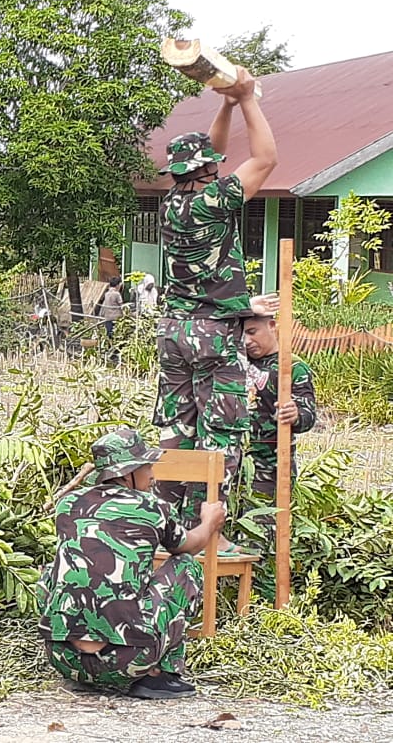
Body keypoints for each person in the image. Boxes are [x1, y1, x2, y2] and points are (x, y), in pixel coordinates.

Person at [153, 66, 280, 528]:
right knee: (220, 430)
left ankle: (164, 523)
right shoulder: (217, 200)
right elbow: (265, 159)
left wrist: (223, 106)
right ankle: (208, 529)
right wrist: (247, 98)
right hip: (212, 333)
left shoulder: (170, 205)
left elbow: (215, 154)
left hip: (173, 330)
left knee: (175, 427)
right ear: (208, 171)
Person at [38, 429, 226, 699]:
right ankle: (160, 675)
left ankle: (83, 670)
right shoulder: (151, 507)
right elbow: (190, 545)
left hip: (64, 659)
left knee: (51, 573)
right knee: (186, 567)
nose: (152, 475)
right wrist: (210, 521)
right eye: (146, 466)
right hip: (129, 660)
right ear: (126, 474)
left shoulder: (68, 504)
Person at [236, 314, 317, 555]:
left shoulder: (291, 367)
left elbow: (308, 415)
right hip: (235, 465)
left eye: (252, 332)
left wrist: (295, 414)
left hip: (269, 468)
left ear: (272, 326)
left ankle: (262, 591)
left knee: (261, 540)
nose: (246, 340)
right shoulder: (234, 363)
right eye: (241, 335)